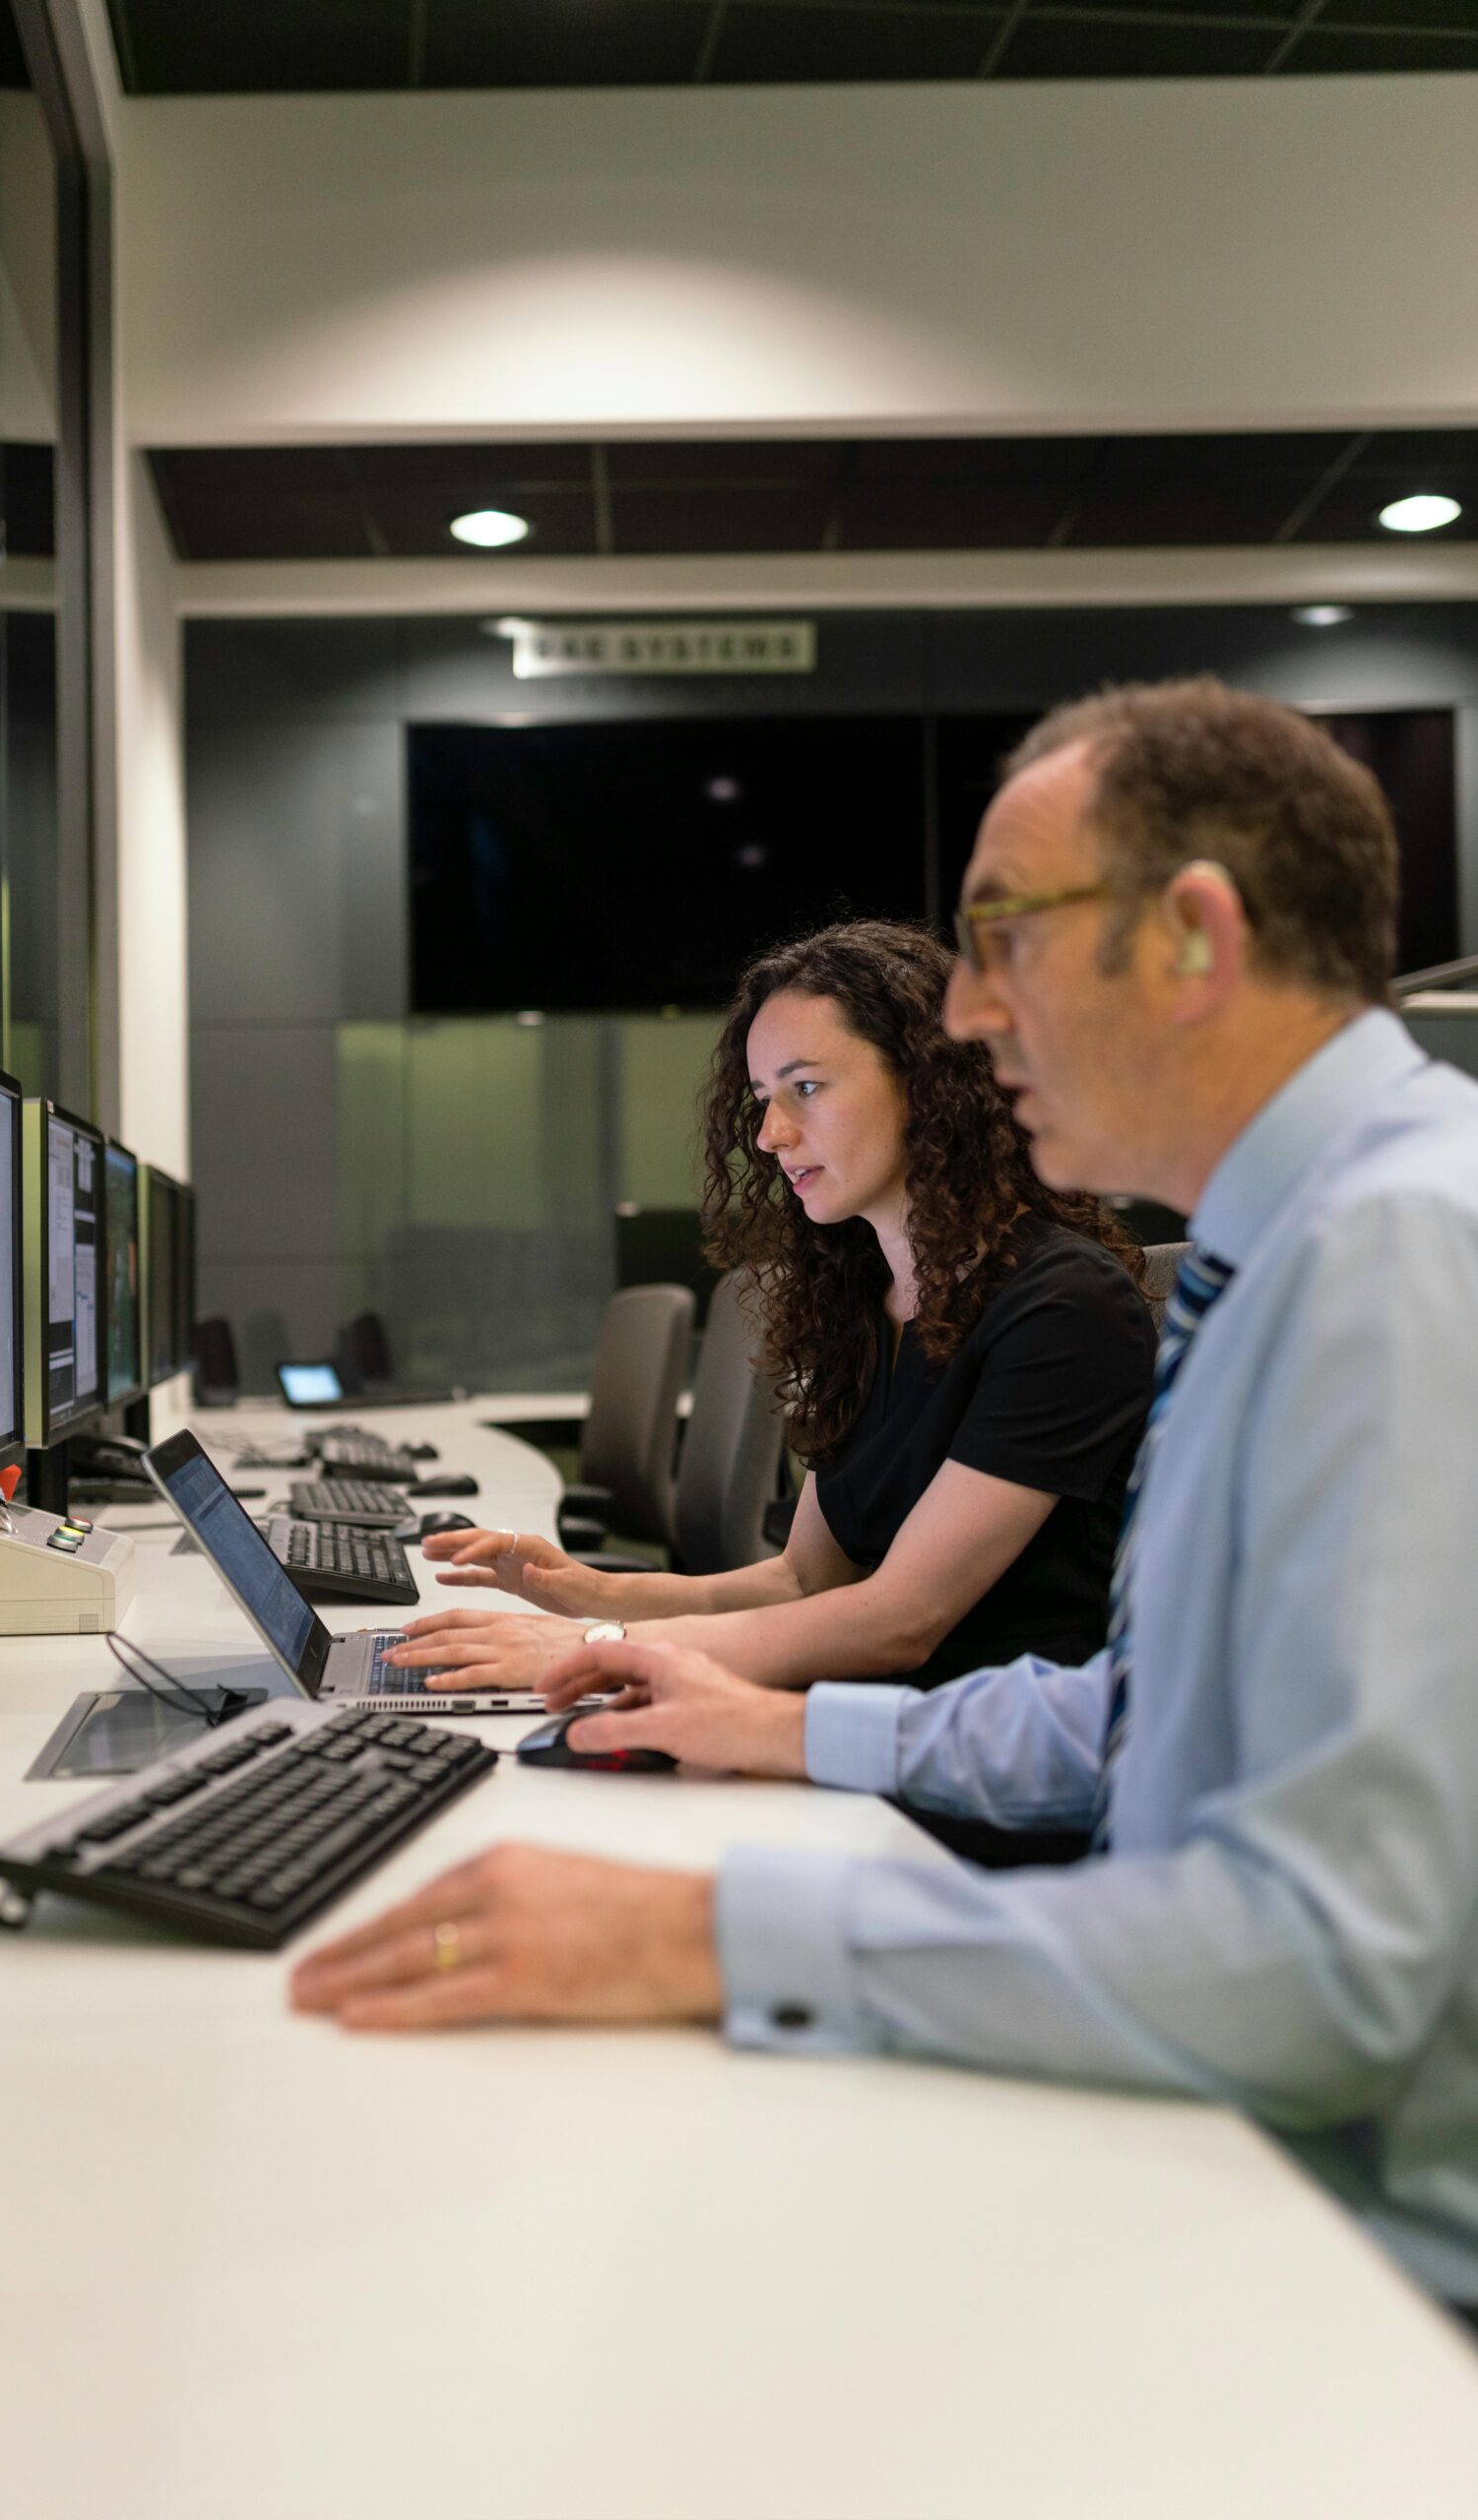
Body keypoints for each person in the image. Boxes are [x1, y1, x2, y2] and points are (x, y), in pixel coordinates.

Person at [291, 677, 1478, 2318]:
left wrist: (711, 1938)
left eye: (1006, 941)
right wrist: (783, 1731)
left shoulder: (1398, 1258)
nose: (973, 1018)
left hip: (1359, 2260)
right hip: (1242, 2126)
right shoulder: (1278, 1256)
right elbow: (1140, 1721)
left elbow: (1326, 1967)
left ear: (1192, 939)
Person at [383, 918, 1154, 1704]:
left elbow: (902, 1618)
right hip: (848, 1724)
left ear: (928, 1082)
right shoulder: (859, 1301)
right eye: (761, 1099)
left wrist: (592, 1648)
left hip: (970, 1769)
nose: (771, 1134)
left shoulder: (1063, 1305)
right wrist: (589, 1593)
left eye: (806, 1088)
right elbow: (803, 1580)